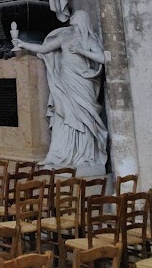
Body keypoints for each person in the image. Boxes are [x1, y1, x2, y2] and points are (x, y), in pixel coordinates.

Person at [12, 9, 107, 170]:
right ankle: (62, 154)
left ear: (82, 19)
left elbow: (102, 58)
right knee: (63, 116)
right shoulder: (64, 36)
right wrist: (23, 44)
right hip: (66, 80)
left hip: (82, 81)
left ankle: (84, 155)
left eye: (76, 14)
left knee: (84, 117)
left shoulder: (88, 40)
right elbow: (44, 48)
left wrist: (81, 51)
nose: (72, 16)